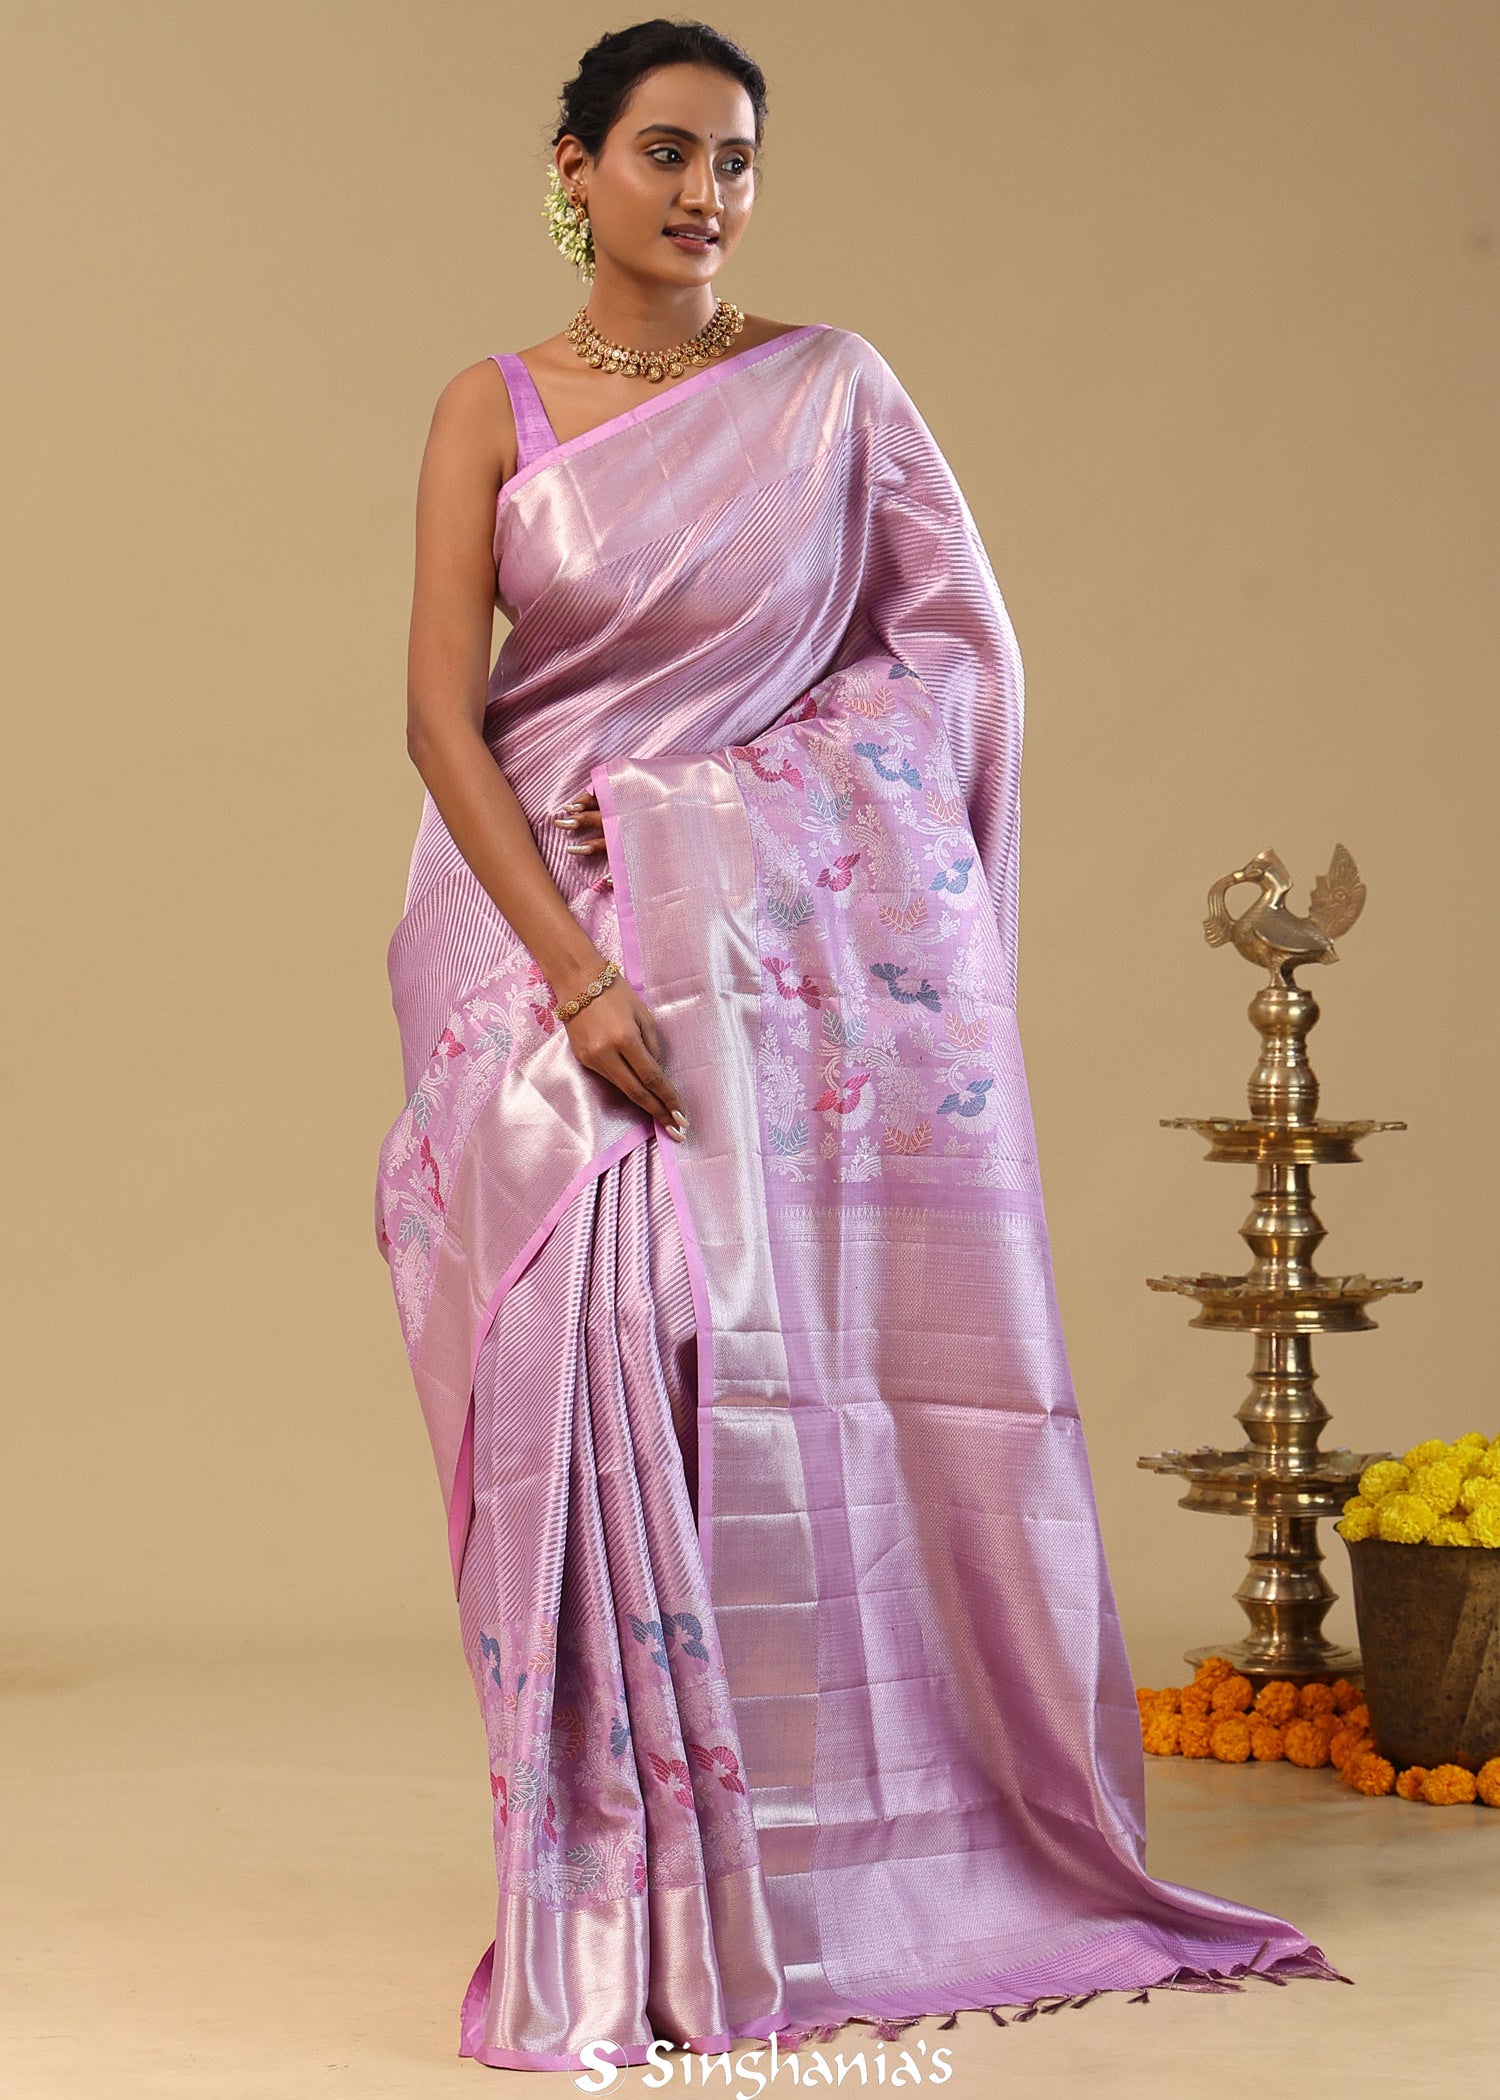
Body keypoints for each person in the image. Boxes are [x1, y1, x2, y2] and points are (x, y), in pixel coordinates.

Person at [375, 16, 1348, 2076]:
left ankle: (818, 1861)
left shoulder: (832, 390)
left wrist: (722, 836)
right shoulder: (492, 405)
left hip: (758, 927)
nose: (704, 190)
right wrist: (579, 966)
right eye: (663, 151)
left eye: (735, 158)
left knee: (736, 1339)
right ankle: (616, 1874)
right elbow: (442, 717)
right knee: (587, 1335)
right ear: (573, 168)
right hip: (534, 913)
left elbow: (957, 665)